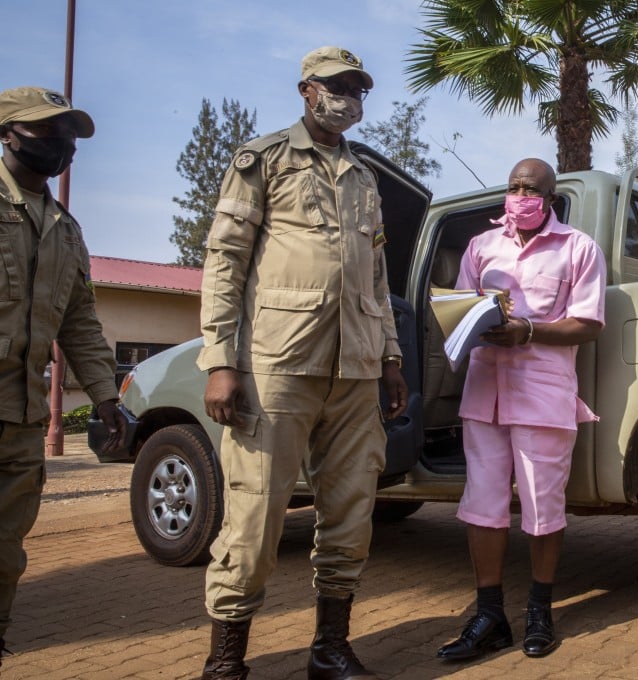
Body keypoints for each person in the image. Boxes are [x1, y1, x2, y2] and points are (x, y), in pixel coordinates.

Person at [197, 46, 407, 680]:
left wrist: (391, 357)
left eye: (358, 88)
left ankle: (329, 647)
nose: (350, 96)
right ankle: (226, 661)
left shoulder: (365, 178)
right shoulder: (263, 160)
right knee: (256, 515)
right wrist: (219, 359)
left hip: (357, 369)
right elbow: (225, 261)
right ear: (306, 91)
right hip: (278, 365)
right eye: (338, 86)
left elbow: (376, 276)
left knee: (349, 514)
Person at [436, 158, 607, 661]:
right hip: (484, 394)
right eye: (513, 186)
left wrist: (528, 330)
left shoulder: (578, 248)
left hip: (543, 395)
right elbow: (463, 307)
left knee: (542, 508)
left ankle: (540, 610)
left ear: (550, 197)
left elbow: (589, 323)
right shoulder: (480, 247)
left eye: (530, 188)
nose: (520, 194)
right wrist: (467, 320)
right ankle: (489, 615)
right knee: (482, 508)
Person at [0, 86, 126, 669]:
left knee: (5, 554)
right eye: (47, 131)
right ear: (8, 134)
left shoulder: (66, 230)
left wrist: (104, 396)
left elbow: (79, 322)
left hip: (20, 421)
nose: (61, 145)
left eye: (68, 135)